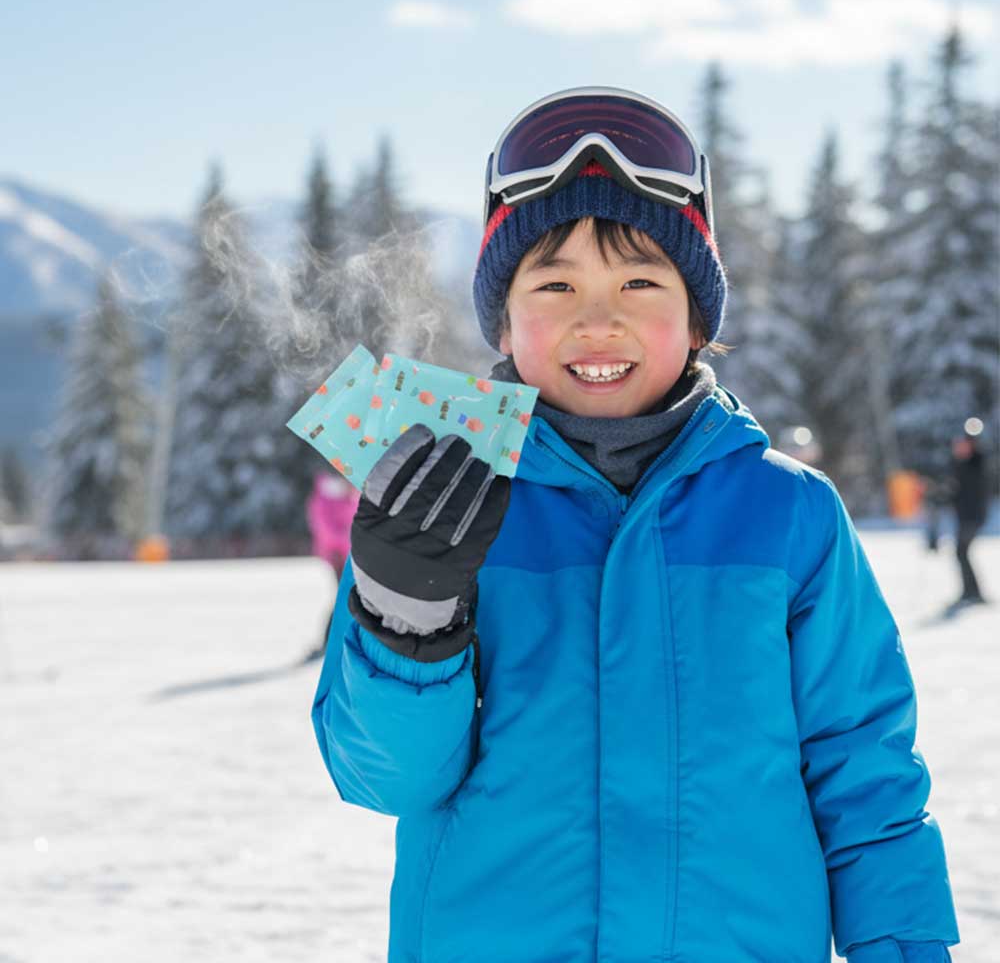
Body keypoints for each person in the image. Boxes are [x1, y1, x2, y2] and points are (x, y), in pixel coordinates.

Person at [311, 87, 959, 962]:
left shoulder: (790, 516)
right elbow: (385, 776)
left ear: (698, 318)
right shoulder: (441, 506)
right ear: (503, 320)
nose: (597, 317)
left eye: (640, 281)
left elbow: (864, 772)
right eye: (556, 283)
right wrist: (403, 621)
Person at [304, 470, 359, 661]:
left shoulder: (351, 495)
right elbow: (324, 529)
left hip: (354, 556)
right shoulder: (326, 497)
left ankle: (339, 640)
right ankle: (329, 641)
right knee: (344, 597)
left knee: (351, 597)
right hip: (337, 556)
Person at [949, 430, 988, 605]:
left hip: (972, 516)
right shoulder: (963, 464)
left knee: (961, 551)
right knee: (961, 552)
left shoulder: (975, 463)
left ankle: (972, 592)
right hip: (966, 516)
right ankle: (970, 591)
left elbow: (964, 490)